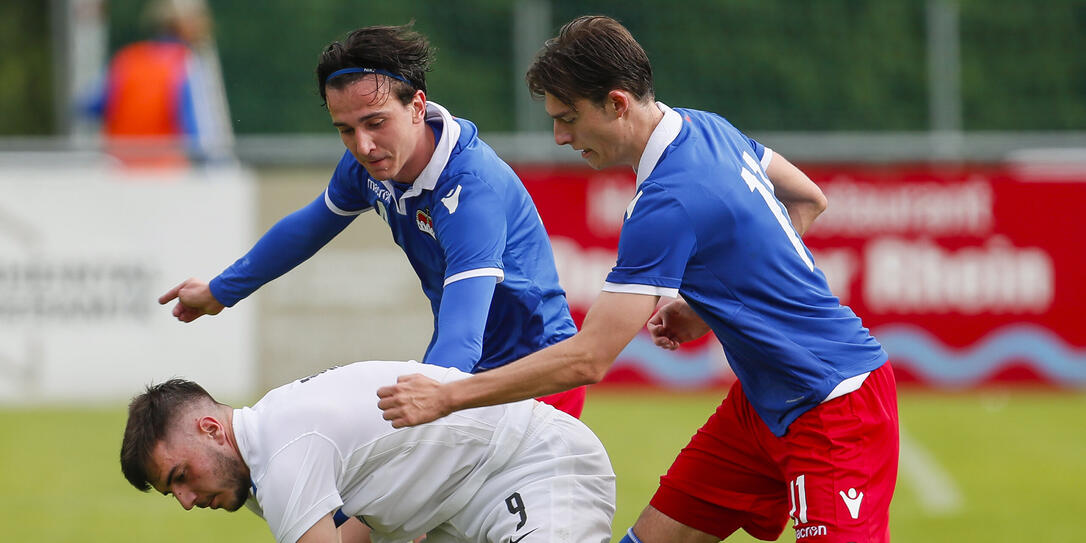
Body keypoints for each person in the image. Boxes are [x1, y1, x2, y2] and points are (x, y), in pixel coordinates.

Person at [376, 15, 899, 543]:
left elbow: (589, 358)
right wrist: (708, 307)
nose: (560, 137)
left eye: (569, 118)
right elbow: (809, 197)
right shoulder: (706, 127)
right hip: (762, 405)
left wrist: (449, 396)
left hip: (835, 405)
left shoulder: (666, 200)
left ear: (617, 103)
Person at [158, 24, 585, 416]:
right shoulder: (366, 165)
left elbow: (463, 331)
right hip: (468, 375)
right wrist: (220, 290)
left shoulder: (469, 189)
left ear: (417, 106)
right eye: (345, 129)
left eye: (375, 123)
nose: (362, 145)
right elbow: (308, 227)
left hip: (534, 379)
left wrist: (431, 393)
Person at [119, 360, 616, 543]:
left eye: (180, 475)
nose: (186, 500)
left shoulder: (283, 452)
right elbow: (354, 531)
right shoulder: (260, 460)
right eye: (172, 492)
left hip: (535, 465)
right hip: (457, 509)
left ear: (211, 428)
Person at [83, 0, 234, 167]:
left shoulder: (127, 60)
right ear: (186, 25)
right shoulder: (186, 64)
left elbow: (88, 105)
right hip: (165, 173)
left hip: (120, 170)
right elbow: (199, 134)